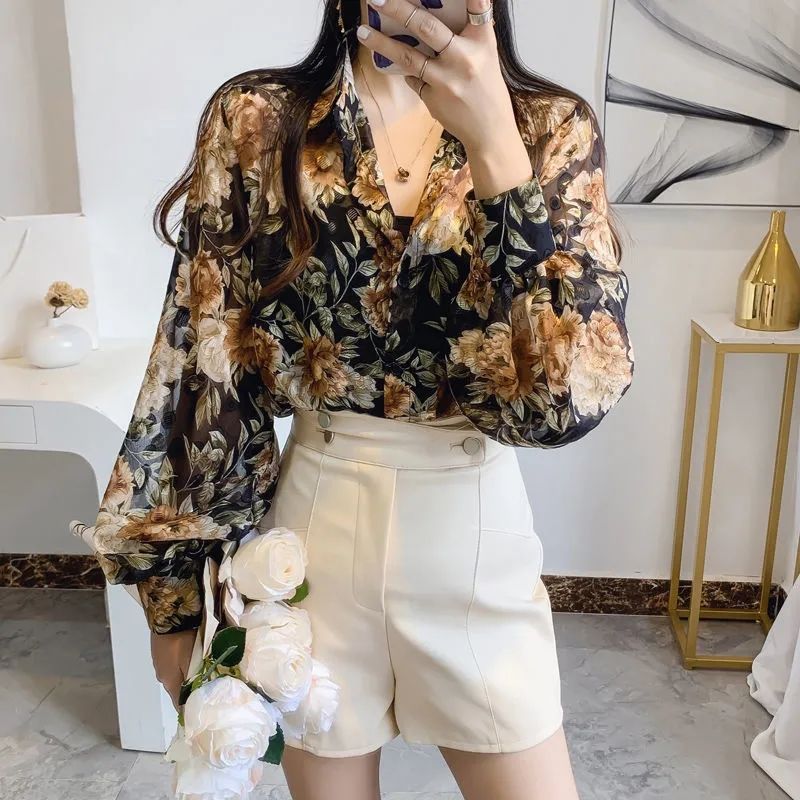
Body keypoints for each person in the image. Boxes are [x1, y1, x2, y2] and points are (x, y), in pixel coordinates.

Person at [84, 0, 634, 797]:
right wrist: (175, 598)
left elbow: (562, 404)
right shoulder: (260, 121)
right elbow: (202, 363)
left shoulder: (549, 130)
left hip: (474, 534)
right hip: (314, 538)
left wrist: (494, 146)